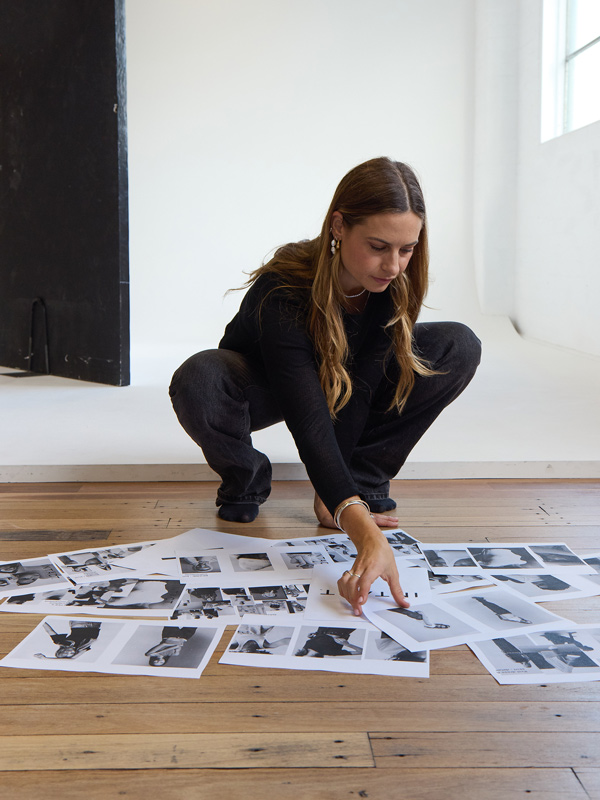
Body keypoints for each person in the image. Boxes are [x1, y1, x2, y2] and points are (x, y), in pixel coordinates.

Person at [170, 157, 481, 615]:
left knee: (458, 344)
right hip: (266, 385)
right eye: (378, 246)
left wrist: (337, 498)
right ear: (338, 226)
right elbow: (306, 415)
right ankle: (245, 479)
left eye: (407, 249)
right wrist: (362, 531)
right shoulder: (283, 288)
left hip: (341, 380)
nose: (393, 265)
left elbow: (361, 387)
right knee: (199, 378)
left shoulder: (391, 284)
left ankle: (360, 481)